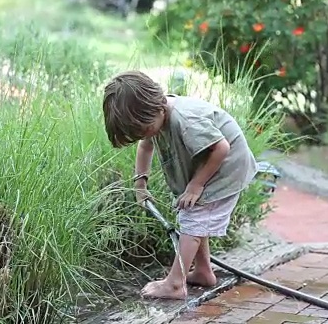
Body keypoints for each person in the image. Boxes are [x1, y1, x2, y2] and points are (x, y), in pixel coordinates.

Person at [102, 70, 258, 300]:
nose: (144, 135)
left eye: (144, 130)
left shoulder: (186, 121)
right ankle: (204, 272)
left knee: (194, 221)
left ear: (157, 107)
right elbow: (146, 146)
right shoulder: (154, 116)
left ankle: (175, 283)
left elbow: (221, 148)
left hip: (226, 169)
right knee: (192, 215)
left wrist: (196, 185)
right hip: (209, 166)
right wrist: (140, 184)